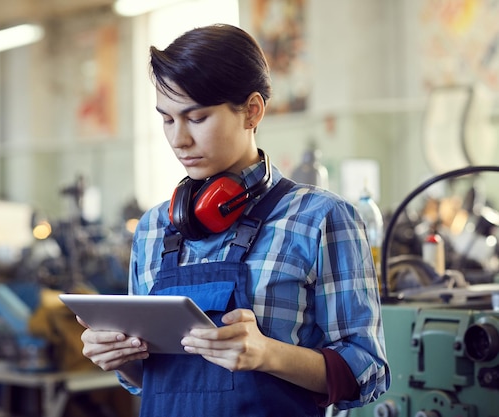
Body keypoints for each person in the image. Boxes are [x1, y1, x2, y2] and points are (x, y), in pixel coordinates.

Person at [77, 23, 390, 416]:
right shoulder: (154, 228)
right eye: (168, 119)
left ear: (252, 111)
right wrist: (119, 356)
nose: (178, 140)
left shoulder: (320, 218)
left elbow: (368, 373)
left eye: (197, 117)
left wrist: (268, 354)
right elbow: (154, 379)